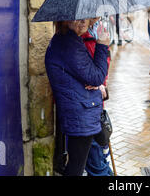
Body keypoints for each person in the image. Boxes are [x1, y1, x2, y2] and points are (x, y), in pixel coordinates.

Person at [45, 19, 109, 176]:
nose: (82, 23)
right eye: (76, 19)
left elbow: (88, 76)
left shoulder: (68, 40)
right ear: (64, 21)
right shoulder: (69, 44)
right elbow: (96, 76)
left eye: (84, 18)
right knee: (76, 168)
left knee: (76, 166)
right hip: (80, 113)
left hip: (80, 110)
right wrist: (102, 45)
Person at [82, 17, 114, 176]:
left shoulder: (99, 28)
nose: (96, 15)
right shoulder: (80, 32)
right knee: (95, 159)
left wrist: (102, 85)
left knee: (100, 154)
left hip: (97, 99)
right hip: (85, 104)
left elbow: (105, 62)